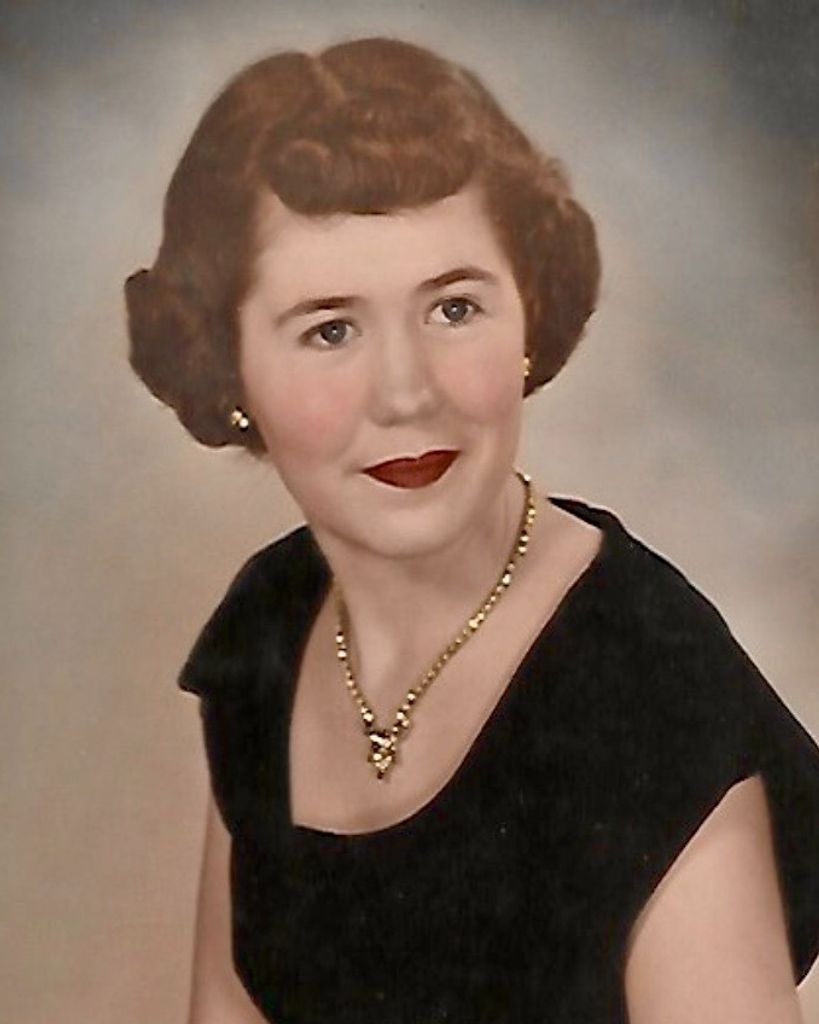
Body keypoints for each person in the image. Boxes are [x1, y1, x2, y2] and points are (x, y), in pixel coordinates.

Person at [124, 36, 819, 1024]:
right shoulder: (266, 625)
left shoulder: (650, 677)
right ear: (226, 368)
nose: (407, 392)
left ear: (528, 315)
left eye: (453, 308)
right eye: (330, 328)